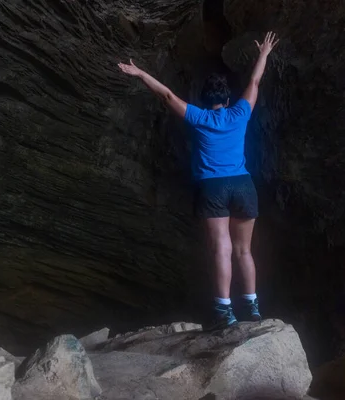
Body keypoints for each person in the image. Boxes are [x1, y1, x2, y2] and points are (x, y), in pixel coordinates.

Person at [118, 32, 280, 328]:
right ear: (228, 98)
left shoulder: (199, 118)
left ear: (205, 100)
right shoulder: (240, 112)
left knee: (222, 248)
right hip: (243, 185)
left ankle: (224, 311)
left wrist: (140, 72)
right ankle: (253, 305)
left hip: (213, 188)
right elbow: (254, 83)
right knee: (245, 249)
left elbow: (166, 95)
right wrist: (264, 55)